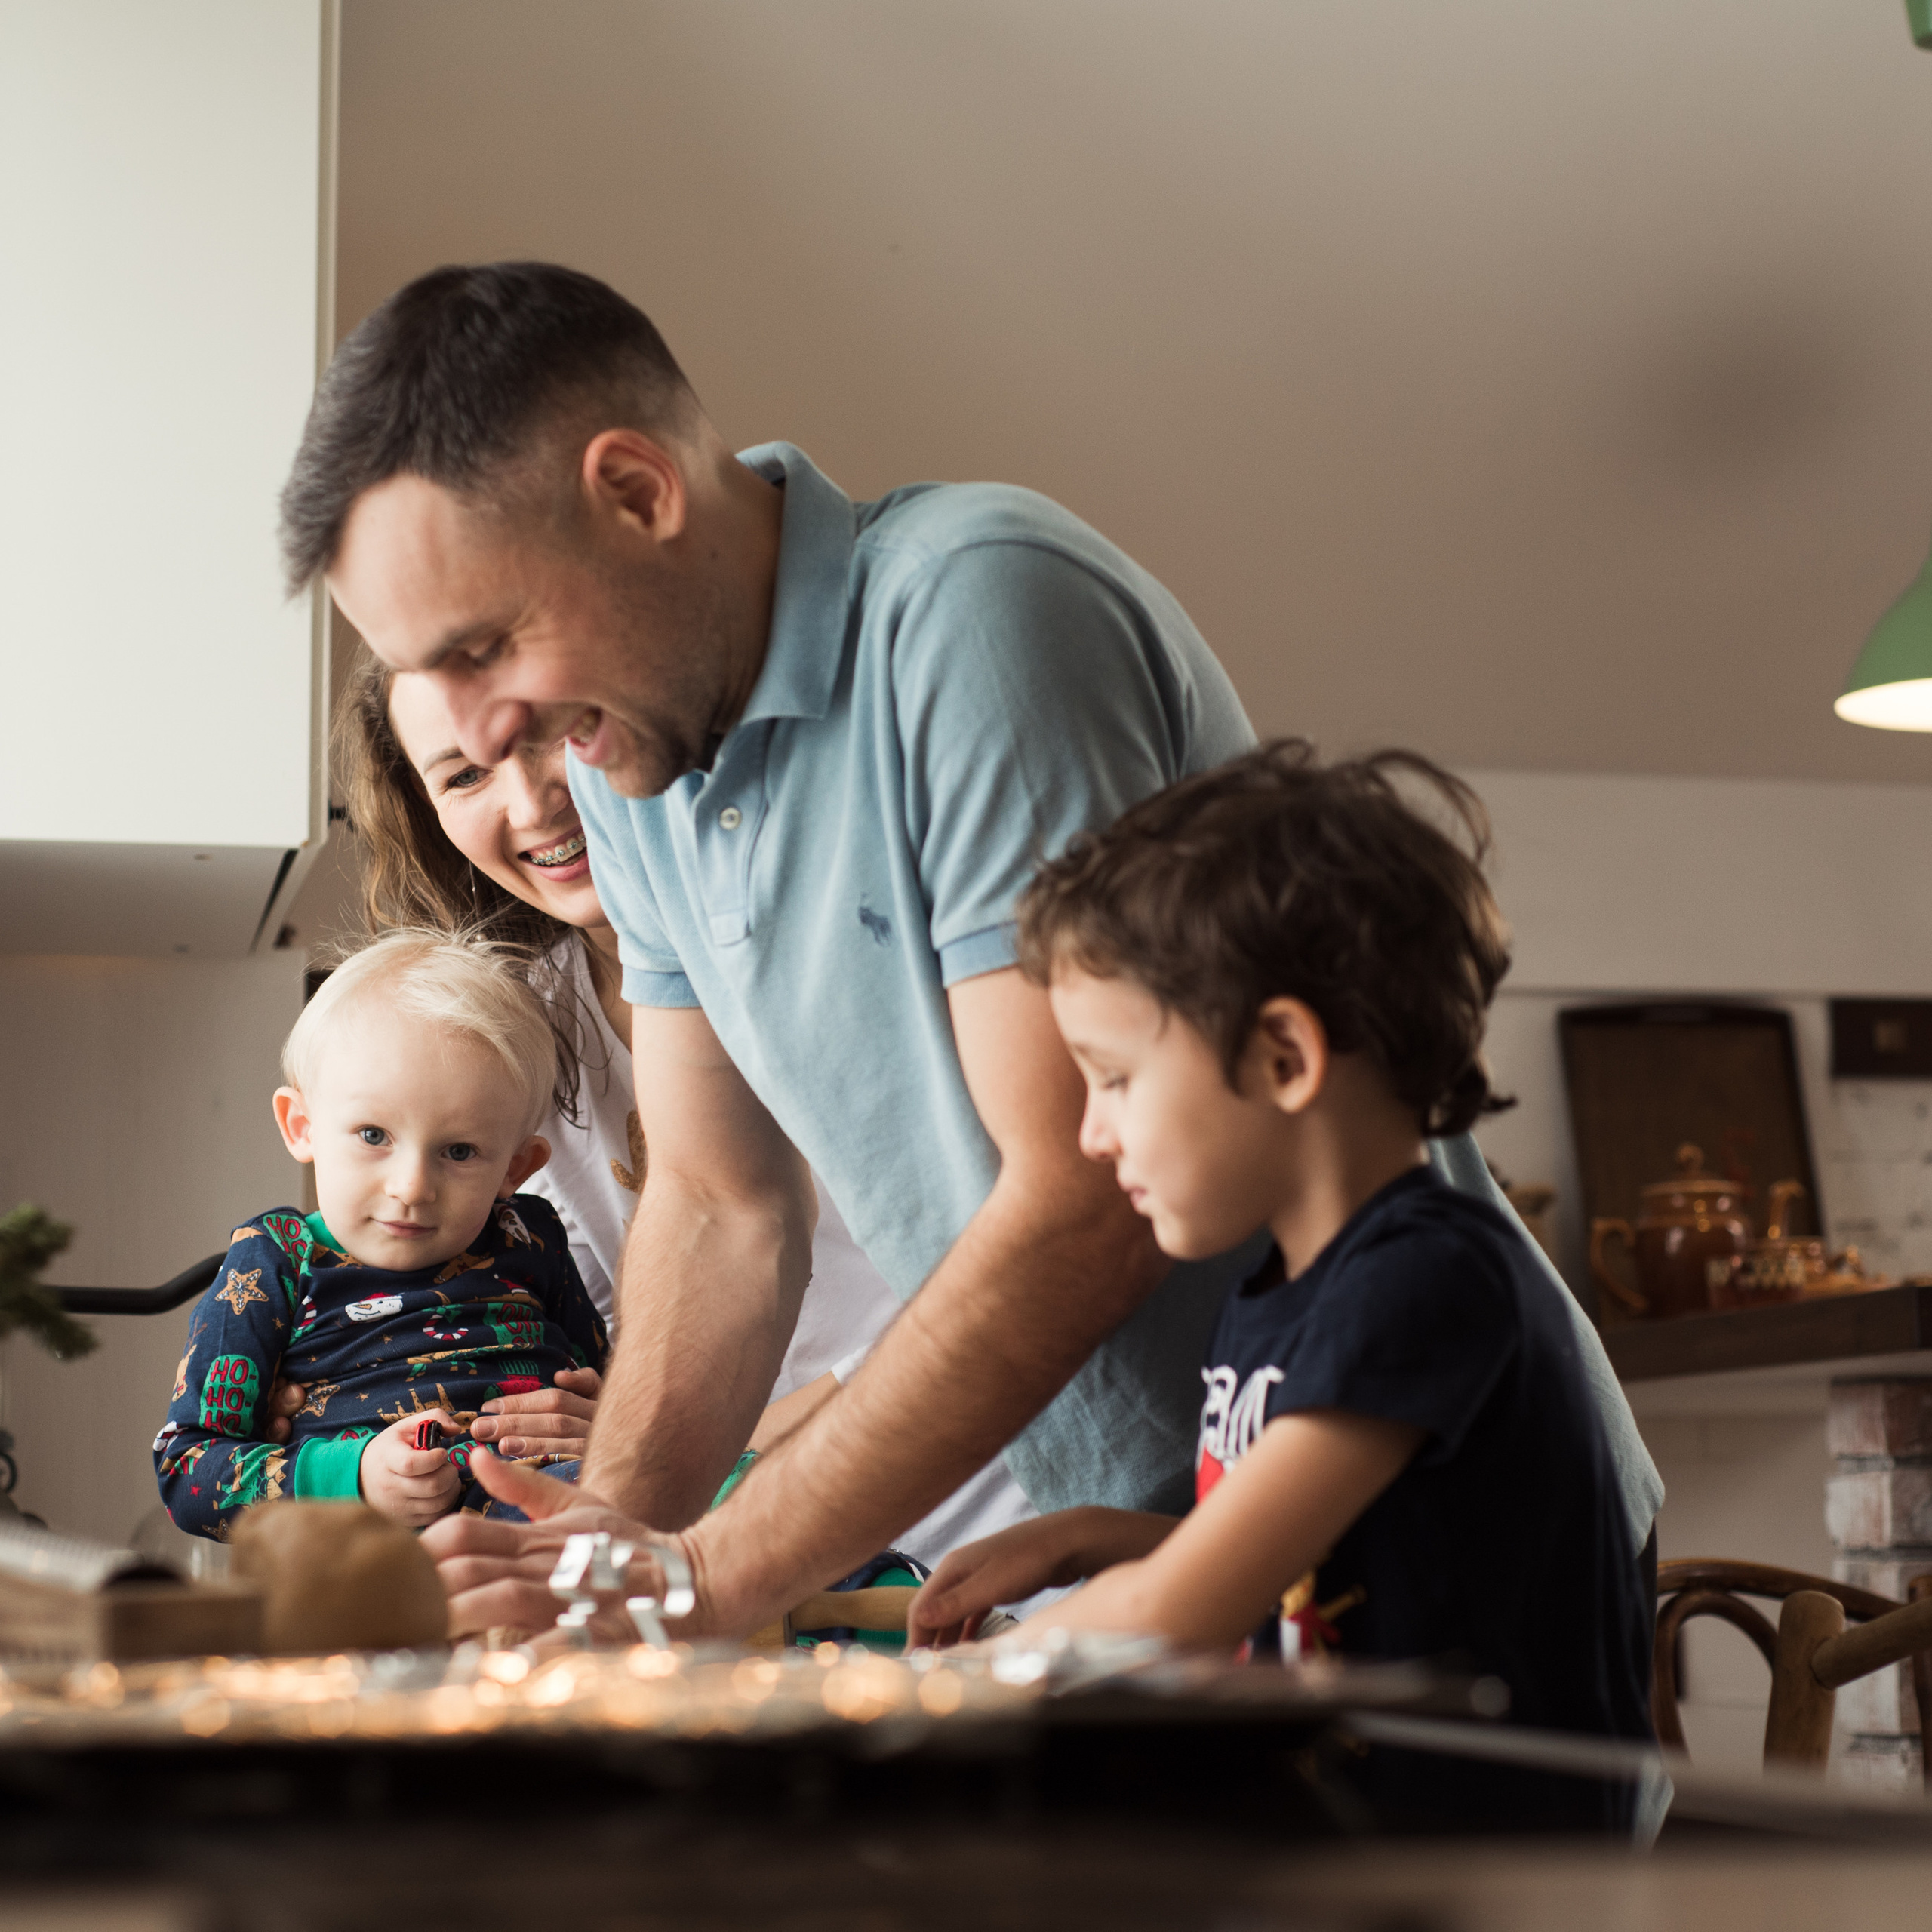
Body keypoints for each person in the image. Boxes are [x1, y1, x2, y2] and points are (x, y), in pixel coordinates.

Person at [278, 260, 1660, 1638]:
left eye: (483, 645)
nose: (480, 728)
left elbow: (1079, 1195)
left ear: (638, 495)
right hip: (1168, 1536)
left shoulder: (974, 612)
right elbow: (719, 1203)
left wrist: (703, 1573)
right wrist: (590, 1572)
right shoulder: (624, 756)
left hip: (1429, 1512)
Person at [901, 745, 1653, 1831]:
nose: (1090, 1131)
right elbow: (1315, 1573)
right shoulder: (1277, 1295)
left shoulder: (1428, 1277)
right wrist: (1091, 1535)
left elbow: (1180, 1616)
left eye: (1114, 1078)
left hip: (1492, 1877)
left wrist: (941, 1694)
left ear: (1285, 1058)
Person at [322, 657, 1044, 1574]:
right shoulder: (514, 1044)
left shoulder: (835, 938)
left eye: (547, 738)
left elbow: (986, 1272)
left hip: (1003, 1528)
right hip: (757, 1570)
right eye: (464, 774)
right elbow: (580, 1338)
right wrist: (321, 1402)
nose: (534, 803)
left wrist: (680, 1455)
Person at [155, 928, 607, 1538]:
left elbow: (602, 1382)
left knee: (744, 1486)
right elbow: (186, 1470)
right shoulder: (274, 1260)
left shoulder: (533, 1236)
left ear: (515, 1169)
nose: (412, 1186)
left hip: (562, 1498)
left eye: (460, 1150)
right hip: (376, 1561)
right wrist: (357, 1477)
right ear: (303, 1126)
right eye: (374, 1135)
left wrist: (608, 1416)